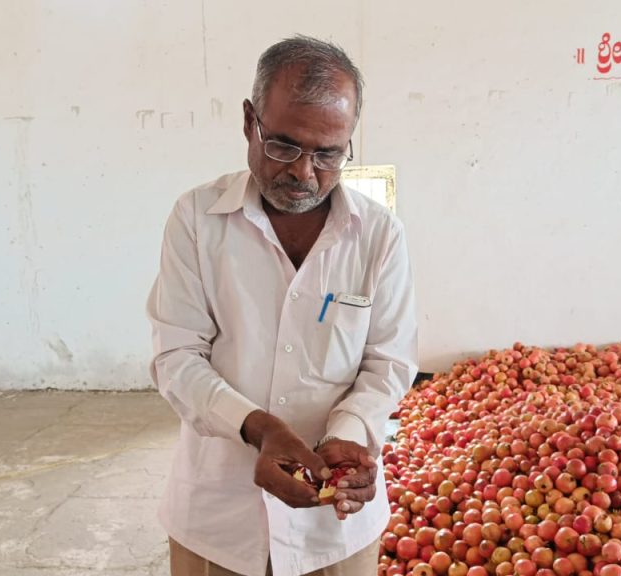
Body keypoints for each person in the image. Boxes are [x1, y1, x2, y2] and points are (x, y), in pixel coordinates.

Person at [146, 35, 418, 576]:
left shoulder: (378, 235)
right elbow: (175, 356)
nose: (304, 172)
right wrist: (260, 429)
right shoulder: (198, 220)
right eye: (284, 146)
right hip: (216, 523)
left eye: (328, 154)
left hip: (335, 528)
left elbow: (389, 363)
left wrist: (348, 433)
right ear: (250, 122)